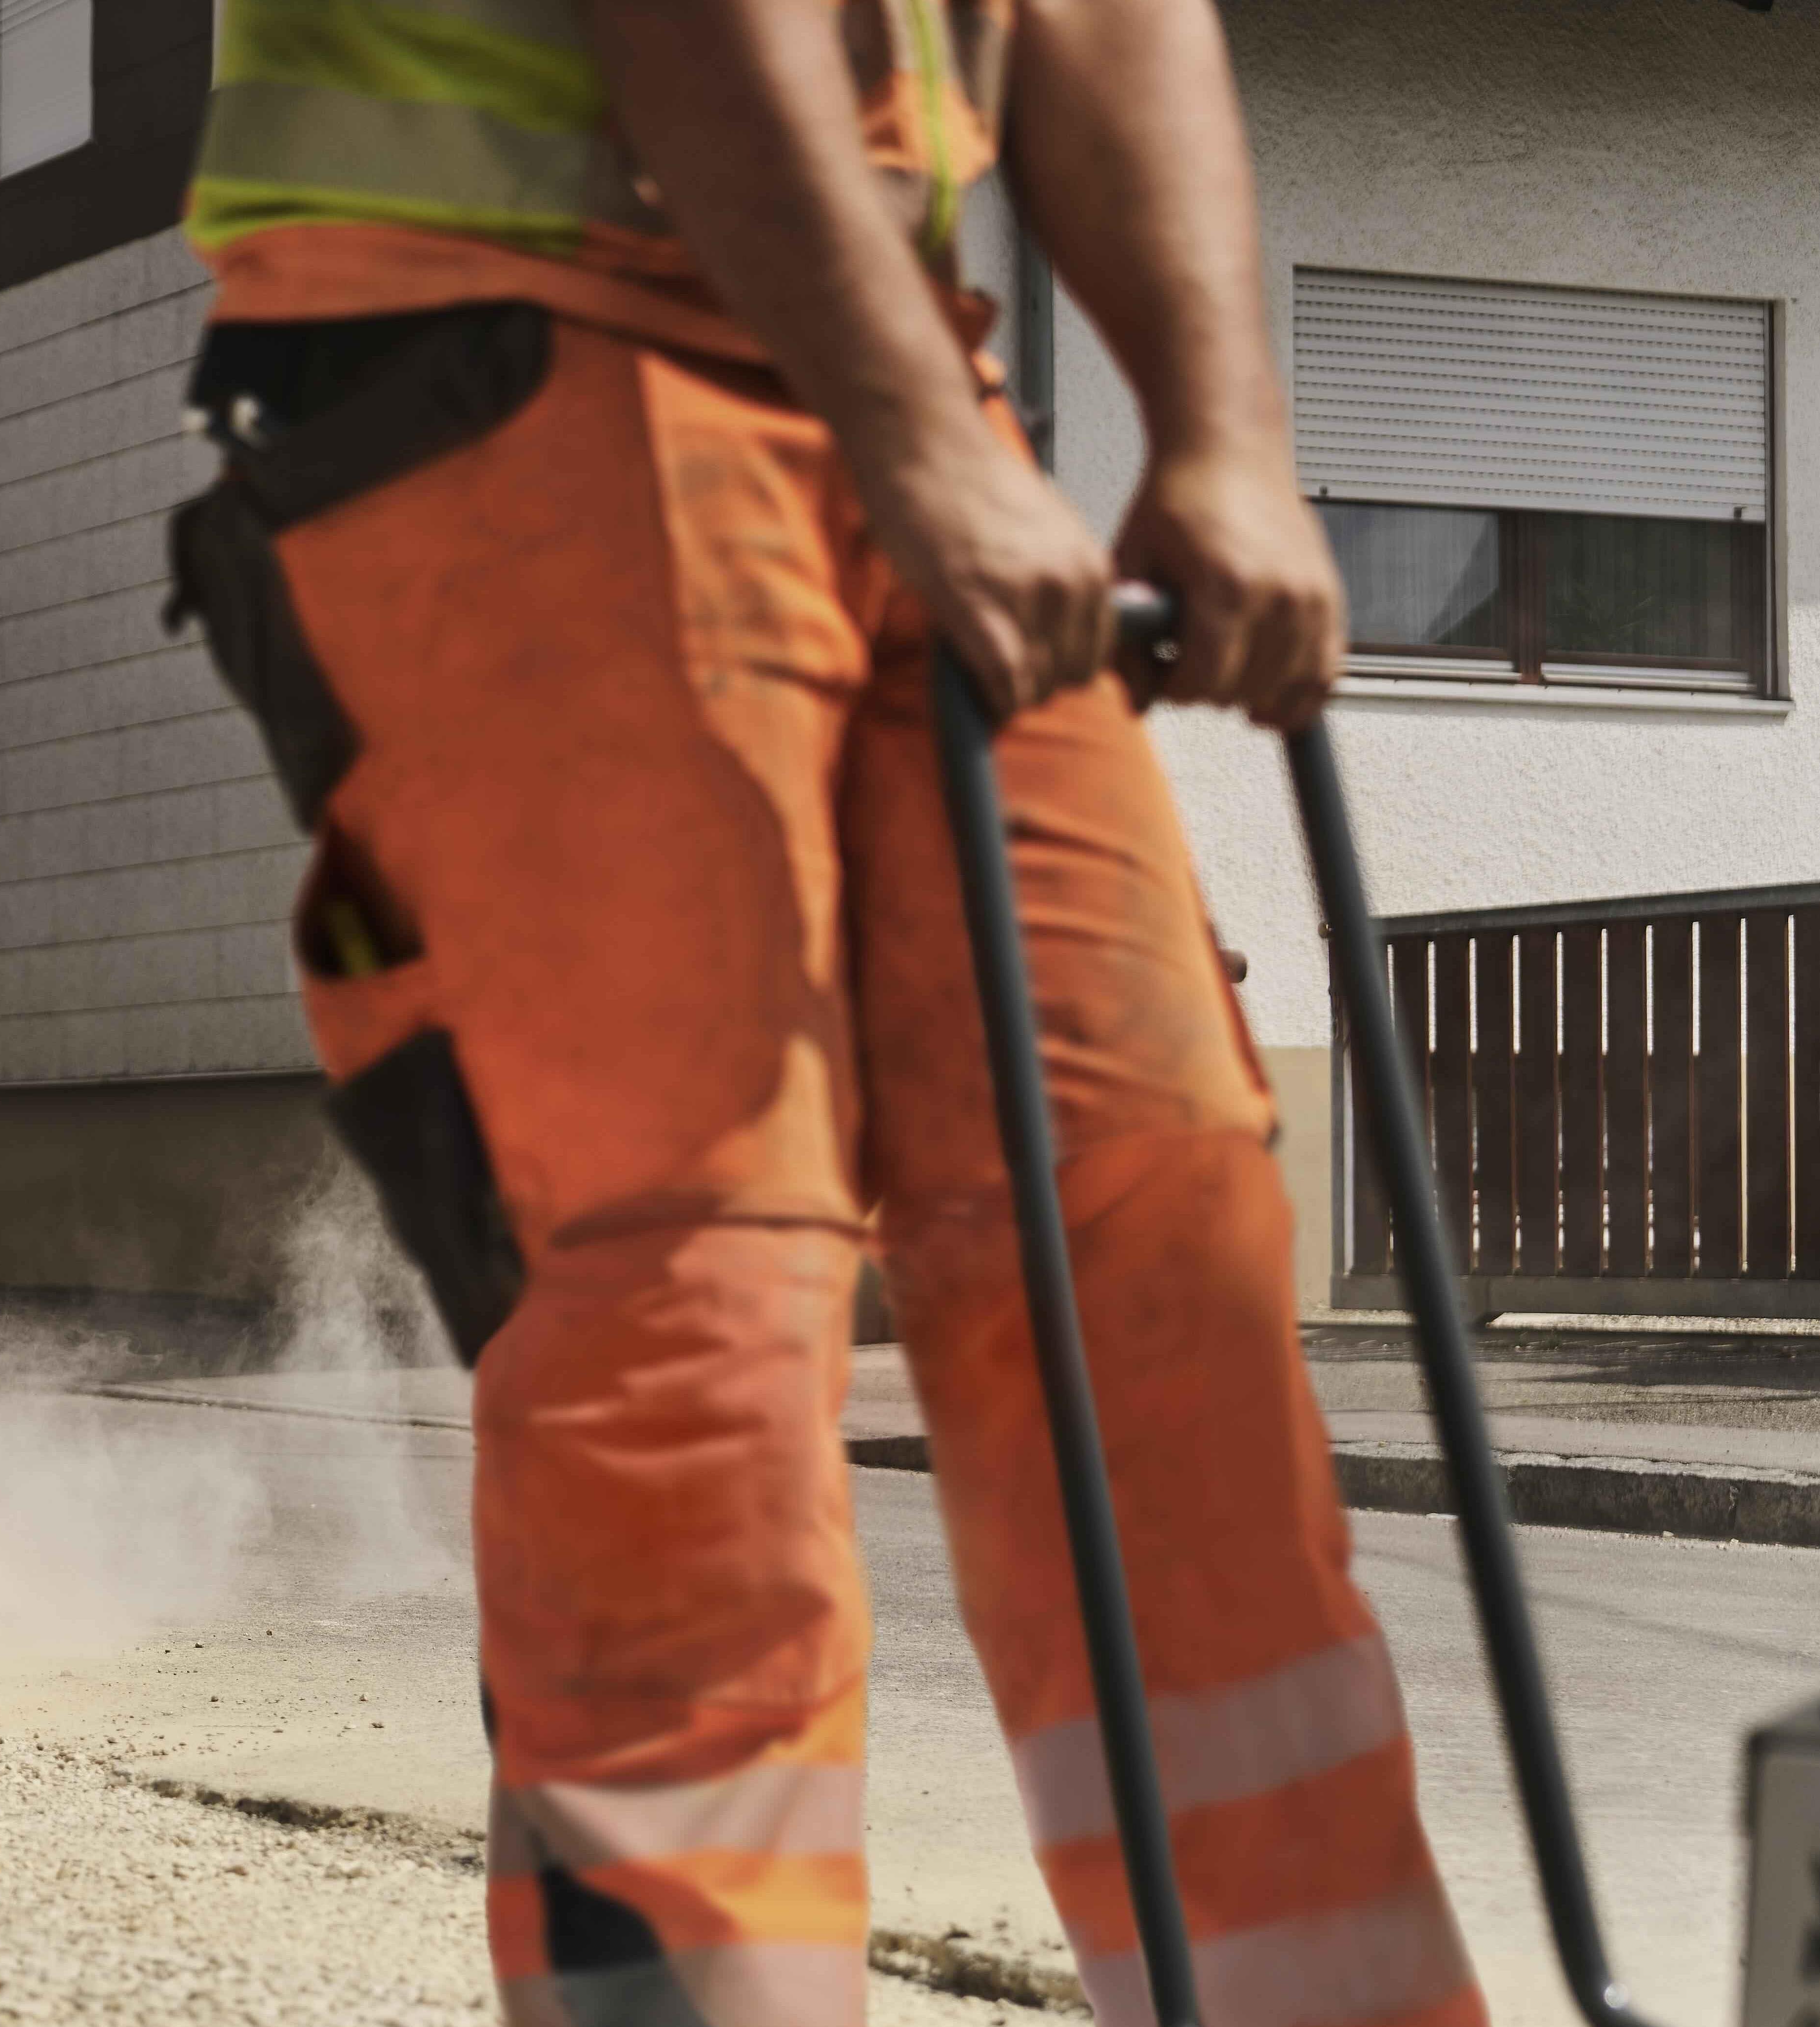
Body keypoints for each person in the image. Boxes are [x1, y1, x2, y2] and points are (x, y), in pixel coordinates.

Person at [170, 5, 1477, 2025]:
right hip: (486, 359)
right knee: (686, 1322)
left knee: (1151, 1268)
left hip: (889, 355)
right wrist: (923, 434)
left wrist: (1221, 433)